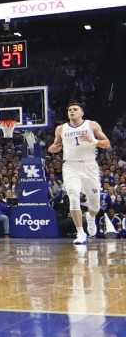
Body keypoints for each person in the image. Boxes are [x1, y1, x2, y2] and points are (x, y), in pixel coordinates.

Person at [48, 102, 111, 245]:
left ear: (82, 113)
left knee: (95, 206)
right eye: (69, 109)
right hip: (70, 166)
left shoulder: (92, 125)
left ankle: (90, 216)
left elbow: (106, 143)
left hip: (89, 166)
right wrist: (53, 148)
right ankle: (80, 233)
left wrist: (93, 141)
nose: (71, 111)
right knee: (73, 196)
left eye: (75, 109)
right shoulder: (61, 129)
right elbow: (54, 147)